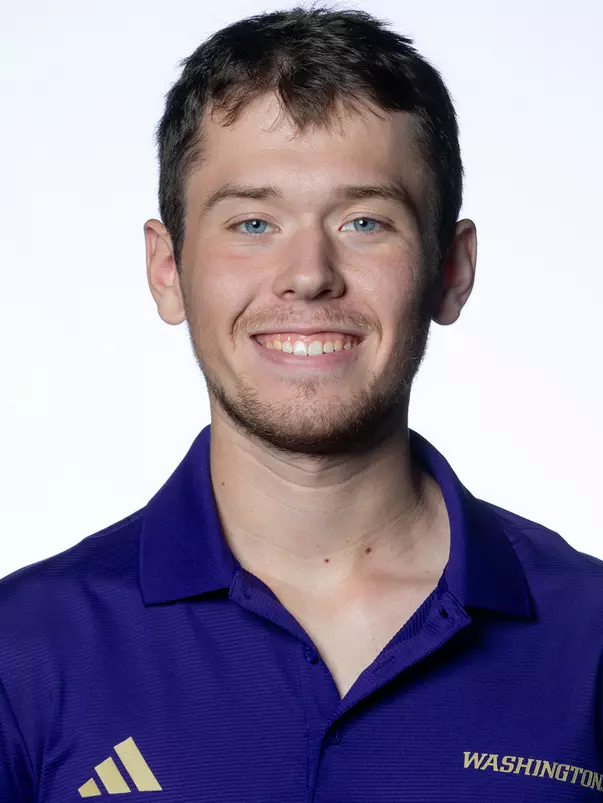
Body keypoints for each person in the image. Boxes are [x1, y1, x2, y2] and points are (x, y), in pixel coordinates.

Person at [2, 6, 603, 802]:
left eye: (365, 221)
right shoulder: (26, 647)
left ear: (450, 270)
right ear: (167, 268)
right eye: (252, 222)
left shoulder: (589, 638)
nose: (309, 274)